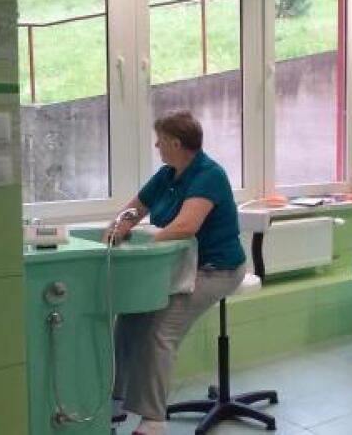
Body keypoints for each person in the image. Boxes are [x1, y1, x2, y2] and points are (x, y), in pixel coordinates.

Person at [105, 110, 246, 435]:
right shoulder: (168, 174)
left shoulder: (209, 175)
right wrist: (119, 226)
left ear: (175, 143)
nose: (156, 145)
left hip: (216, 270)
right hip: (178, 267)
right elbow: (134, 209)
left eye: (160, 140)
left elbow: (185, 226)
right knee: (129, 320)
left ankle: (153, 421)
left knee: (159, 331)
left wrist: (146, 245)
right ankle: (115, 401)